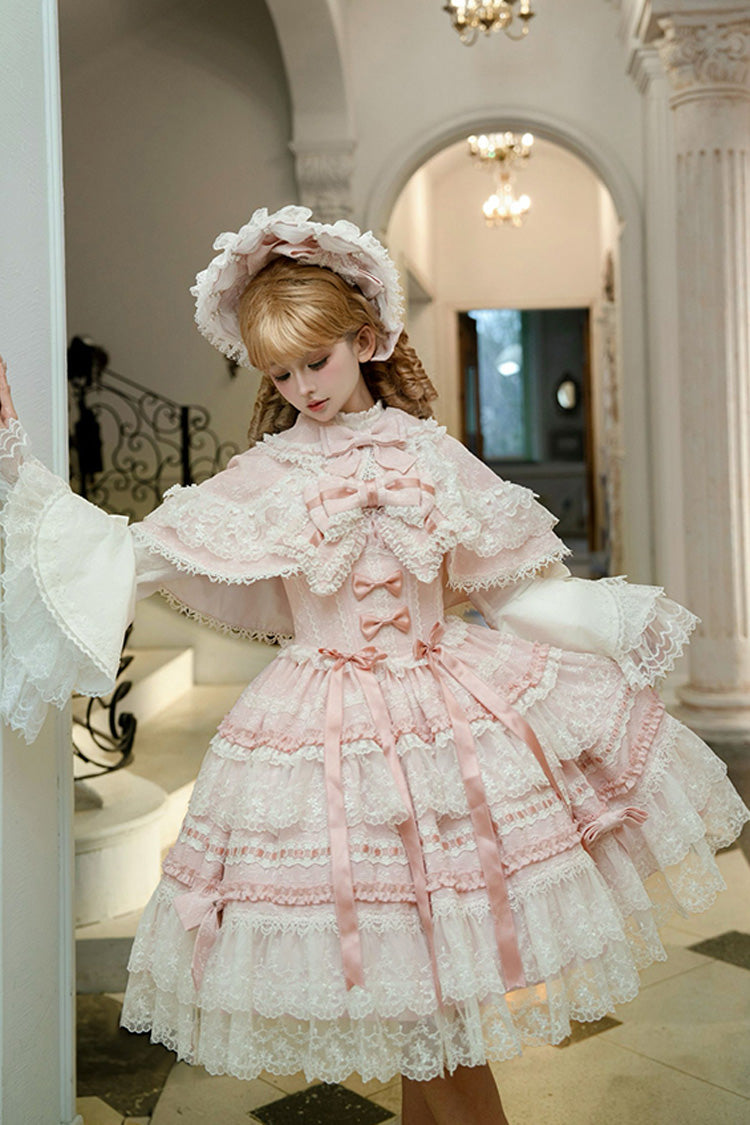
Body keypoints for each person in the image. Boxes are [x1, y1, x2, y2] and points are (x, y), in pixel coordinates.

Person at [0, 205, 746, 1125]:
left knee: (439, 1003)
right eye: (281, 373)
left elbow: (512, 591)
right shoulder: (271, 472)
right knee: (417, 1005)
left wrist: (619, 620)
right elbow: (133, 555)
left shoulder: (430, 455)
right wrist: (20, 471)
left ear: (365, 339)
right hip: (329, 744)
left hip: (446, 728)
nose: (302, 388)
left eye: (315, 361)